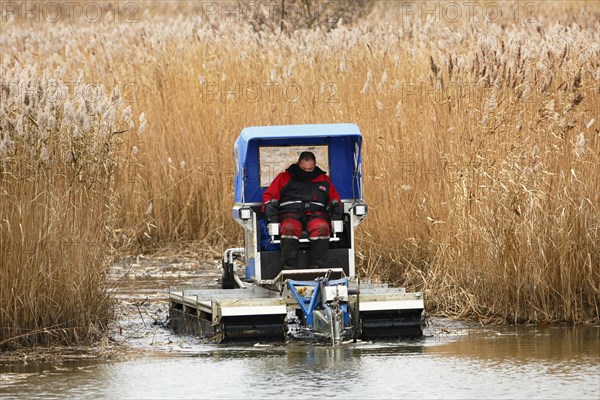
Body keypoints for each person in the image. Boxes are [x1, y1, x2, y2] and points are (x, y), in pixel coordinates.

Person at [263, 151, 343, 269]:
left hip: (316, 215)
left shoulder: (323, 180)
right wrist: (269, 206)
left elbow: (334, 198)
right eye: (303, 169)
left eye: (310, 170)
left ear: (315, 165)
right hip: (291, 215)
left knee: (322, 228)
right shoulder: (284, 178)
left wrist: (336, 206)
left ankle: (317, 266)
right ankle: (289, 267)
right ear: (298, 164)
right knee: (289, 228)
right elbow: (268, 196)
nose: (306, 172)